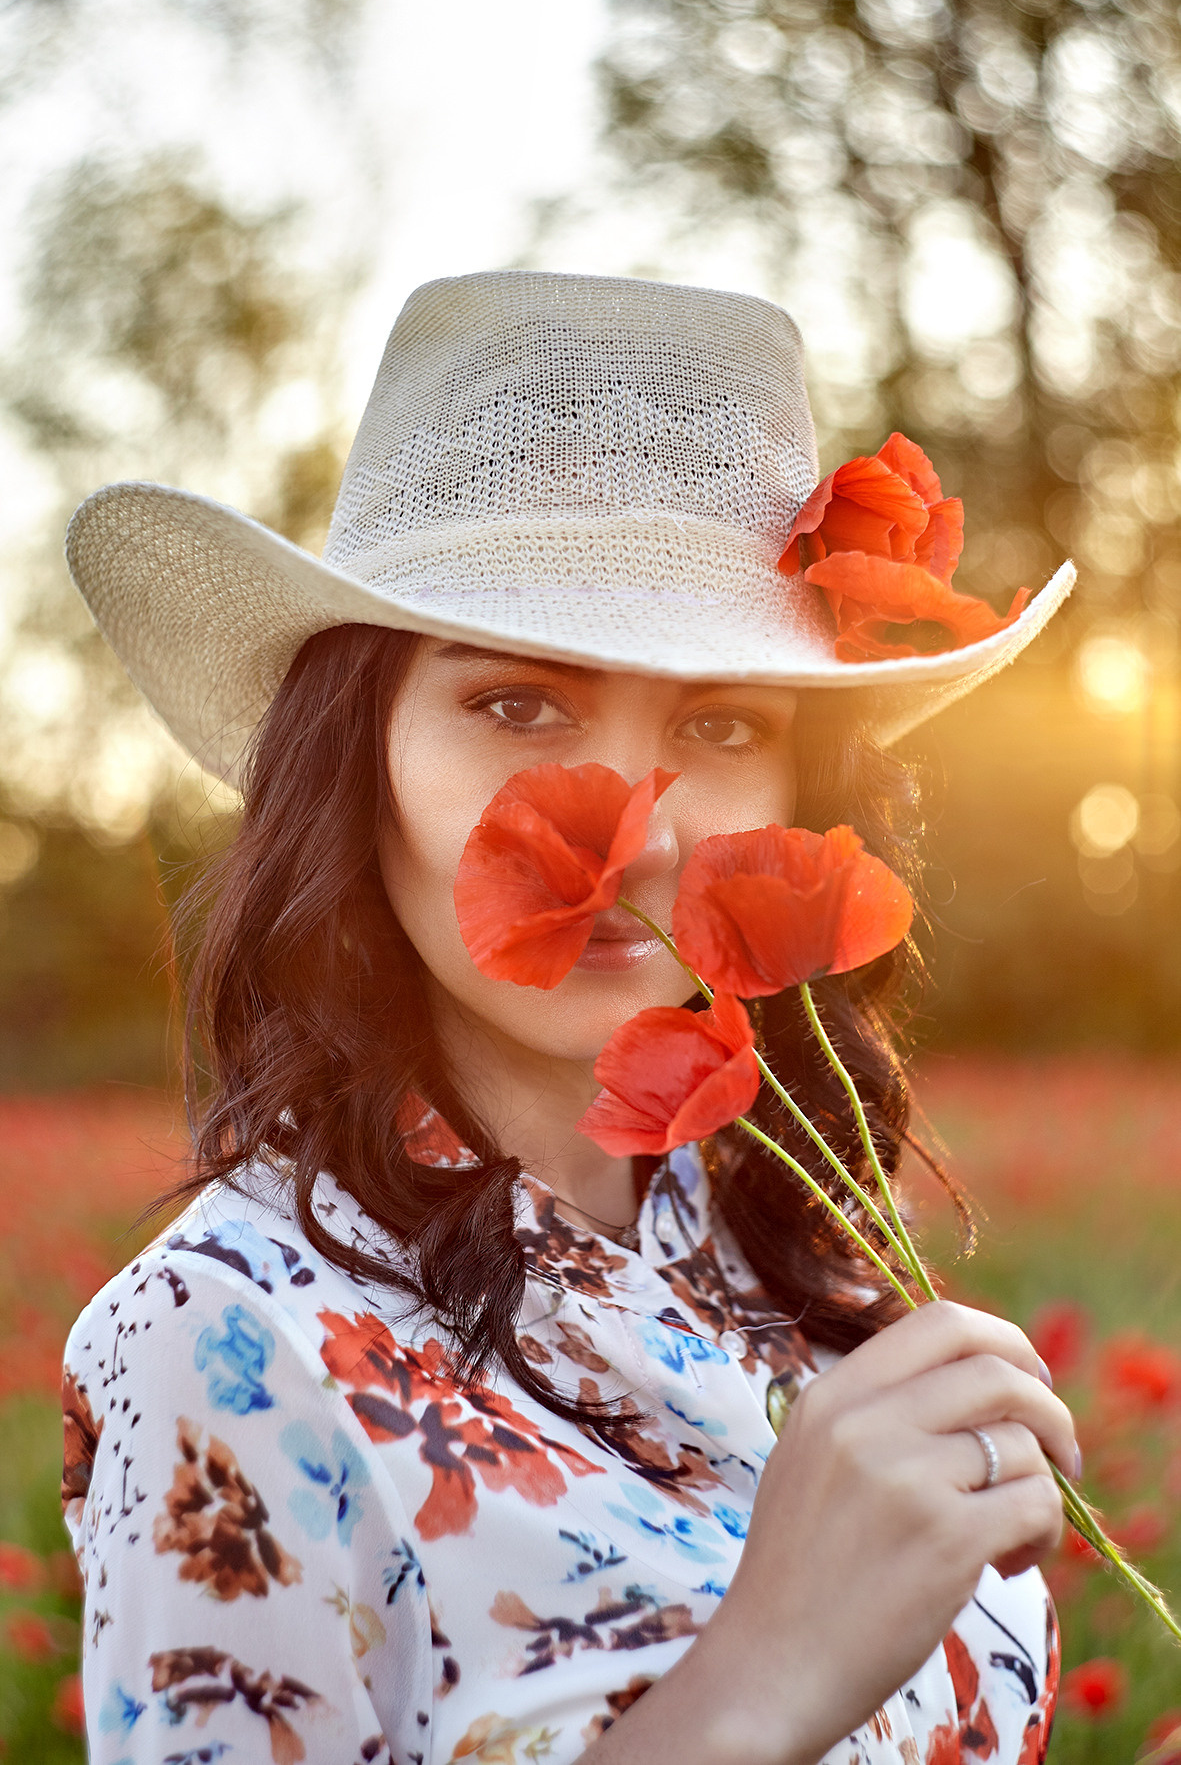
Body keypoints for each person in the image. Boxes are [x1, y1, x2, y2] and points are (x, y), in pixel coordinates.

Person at [61, 271, 1079, 1765]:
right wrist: (756, 1684)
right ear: (357, 757)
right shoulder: (223, 1338)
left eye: (719, 726)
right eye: (520, 706)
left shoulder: (797, 1265)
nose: (638, 835)